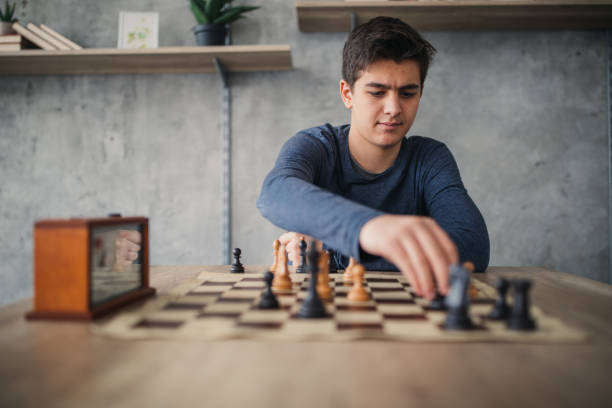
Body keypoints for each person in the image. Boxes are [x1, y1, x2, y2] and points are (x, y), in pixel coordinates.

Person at [256, 16, 489, 300]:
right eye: (377, 92)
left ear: (420, 93)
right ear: (347, 93)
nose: (393, 108)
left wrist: (332, 252)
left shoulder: (430, 158)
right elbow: (276, 192)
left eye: (407, 93)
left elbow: (472, 246)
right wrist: (370, 228)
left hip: (411, 318)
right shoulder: (314, 146)